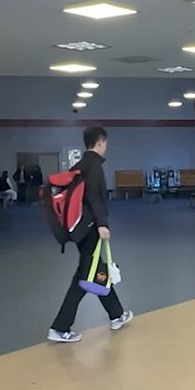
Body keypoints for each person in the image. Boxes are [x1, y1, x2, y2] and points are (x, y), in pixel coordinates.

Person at [48, 127, 134, 343]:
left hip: (80, 227)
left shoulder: (80, 165)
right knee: (84, 276)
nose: (106, 147)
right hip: (90, 227)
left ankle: (116, 314)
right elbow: (95, 196)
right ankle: (60, 327)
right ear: (100, 142)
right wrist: (102, 224)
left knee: (95, 269)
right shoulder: (94, 165)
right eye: (105, 143)